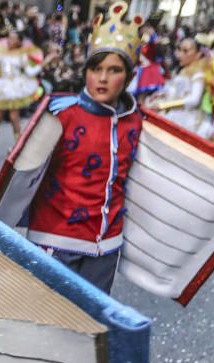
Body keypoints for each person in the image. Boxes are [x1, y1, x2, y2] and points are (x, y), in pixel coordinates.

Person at [24, 1, 146, 293]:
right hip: (55, 242)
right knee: (49, 329)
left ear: (128, 77)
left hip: (106, 247)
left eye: (114, 70)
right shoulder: (59, 115)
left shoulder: (136, 121)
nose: (102, 78)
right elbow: (22, 176)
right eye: (96, 68)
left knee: (91, 332)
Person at [150, 37, 214, 143]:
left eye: (185, 51)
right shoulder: (184, 70)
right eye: (179, 49)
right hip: (175, 116)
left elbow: (194, 100)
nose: (179, 54)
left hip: (188, 122)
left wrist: (163, 106)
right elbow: (178, 91)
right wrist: (162, 94)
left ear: (198, 54)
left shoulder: (199, 73)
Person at [0, 28, 42, 152]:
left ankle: (18, 142)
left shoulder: (22, 55)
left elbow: (29, 71)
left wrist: (42, 64)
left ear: (19, 41)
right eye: (9, 38)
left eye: (14, 39)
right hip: (2, 86)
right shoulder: (1, 52)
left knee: (14, 116)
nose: (10, 41)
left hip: (15, 86)